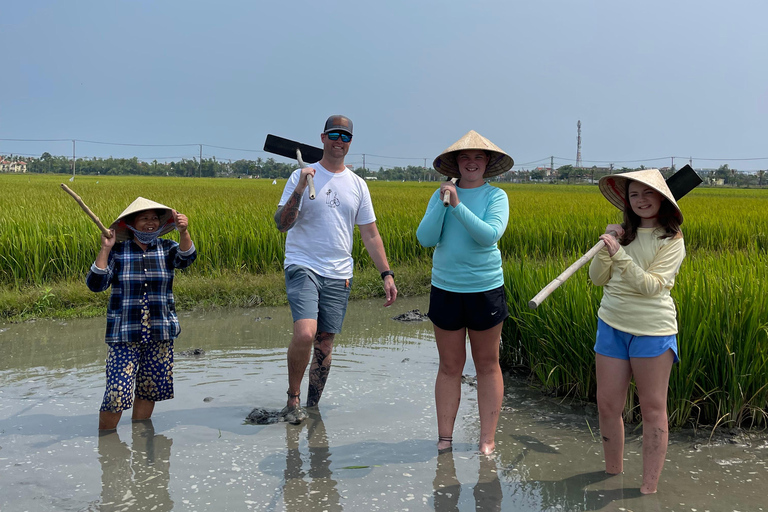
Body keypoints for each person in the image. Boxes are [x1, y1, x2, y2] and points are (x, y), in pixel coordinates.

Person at [274, 115, 397, 423]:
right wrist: (300, 189)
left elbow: (370, 233)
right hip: (303, 265)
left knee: (325, 341)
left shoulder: (358, 185)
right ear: (323, 137)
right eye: (334, 135)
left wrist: (386, 273)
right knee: (306, 333)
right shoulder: (300, 175)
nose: (339, 140)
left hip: (339, 272)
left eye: (345, 136)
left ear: (350, 142)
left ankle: (313, 409)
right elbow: (281, 224)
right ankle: (293, 399)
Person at [589, 169, 686, 494]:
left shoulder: (671, 240)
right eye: (634, 195)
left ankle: (648, 489)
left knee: (653, 408)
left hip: (652, 331)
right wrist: (607, 246)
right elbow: (598, 279)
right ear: (626, 202)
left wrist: (620, 254)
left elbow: (651, 287)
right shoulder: (622, 236)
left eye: (648, 194)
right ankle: (612, 472)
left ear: (662, 198)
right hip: (611, 324)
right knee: (607, 405)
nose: (641, 201)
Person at [416, 130, 514, 455]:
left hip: (484, 289)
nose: (471, 163)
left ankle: (487, 438)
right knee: (449, 366)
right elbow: (426, 238)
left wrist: (457, 206)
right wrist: (443, 204)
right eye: (464, 157)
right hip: (446, 288)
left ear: (487, 163)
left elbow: (488, 235)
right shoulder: (440, 194)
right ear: (456, 163)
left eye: (478, 157)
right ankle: (445, 438)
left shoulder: (496, 196)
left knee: (487, 364)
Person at [87, 197, 196, 430]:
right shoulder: (118, 250)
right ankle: (107, 445)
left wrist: (184, 232)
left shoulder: (167, 248)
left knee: (150, 388)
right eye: (144, 218)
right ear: (131, 224)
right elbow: (96, 284)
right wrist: (105, 248)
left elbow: (186, 259)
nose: (150, 223)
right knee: (116, 391)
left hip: (160, 329)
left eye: (155, 218)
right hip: (124, 332)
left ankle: (141, 439)